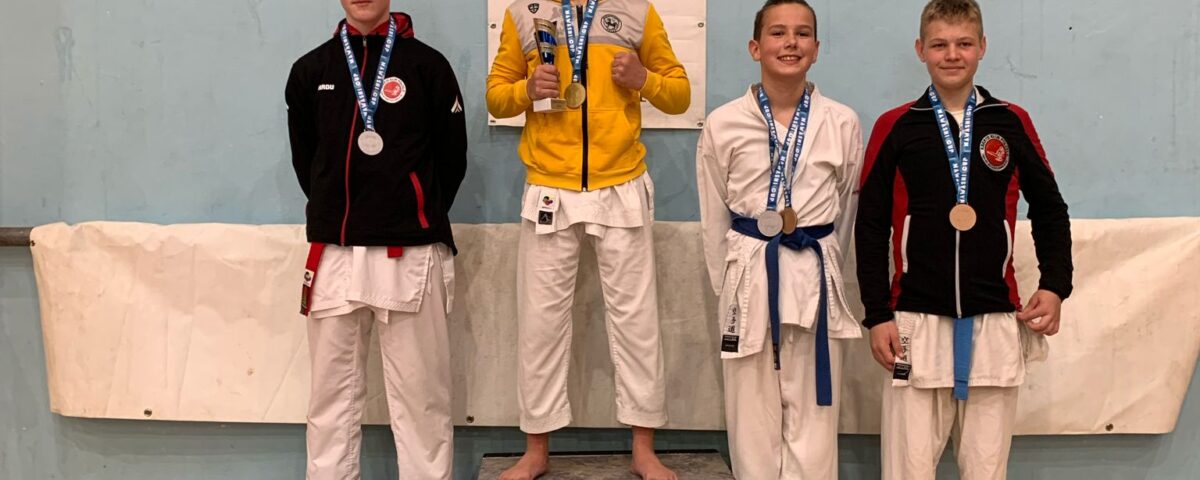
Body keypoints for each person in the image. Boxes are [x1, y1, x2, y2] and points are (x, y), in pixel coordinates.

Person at [855, 1, 1073, 478]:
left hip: (994, 316)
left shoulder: (1010, 121)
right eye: (939, 44)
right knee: (906, 469)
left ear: (982, 47)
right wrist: (877, 313)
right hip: (914, 318)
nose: (951, 55)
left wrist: (1056, 285)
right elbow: (869, 226)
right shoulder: (896, 126)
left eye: (963, 43)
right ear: (920, 50)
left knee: (986, 470)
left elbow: (1050, 208)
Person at [485, 0, 690, 478]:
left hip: (621, 182)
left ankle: (644, 448)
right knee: (540, 324)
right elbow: (495, 97)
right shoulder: (523, 12)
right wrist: (525, 90)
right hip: (549, 185)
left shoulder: (636, 11)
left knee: (637, 322)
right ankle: (536, 449)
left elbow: (679, 95)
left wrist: (644, 79)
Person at [285, 0, 467, 478]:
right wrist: (336, 210)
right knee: (330, 402)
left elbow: (451, 161)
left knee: (422, 400)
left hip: (409, 249)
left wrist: (411, 209)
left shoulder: (427, 66)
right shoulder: (311, 70)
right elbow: (308, 162)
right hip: (335, 250)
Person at [696, 1, 863, 477]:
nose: (790, 42)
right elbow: (713, 215)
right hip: (748, 276)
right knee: (751, 421)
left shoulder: (842, 121)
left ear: (816, 48)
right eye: (777, 33)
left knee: (814, 422)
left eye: (802, 33)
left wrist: (826, 264)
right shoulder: (723, 122)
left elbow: (846, 211)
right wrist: (727, 289)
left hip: (814, 273)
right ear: (755, 47)